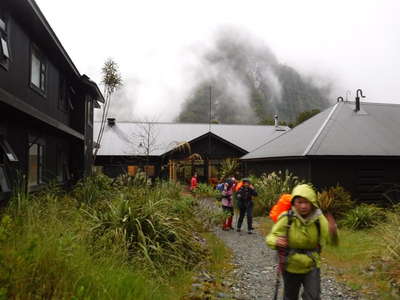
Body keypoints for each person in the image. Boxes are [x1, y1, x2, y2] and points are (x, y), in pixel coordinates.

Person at [266, 184, 330, 300]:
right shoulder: (287, 217)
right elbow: (271, 237)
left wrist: (333, 231)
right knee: (290, 296)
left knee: (313, 297)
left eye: (306, 202)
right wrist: (276, 241)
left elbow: (330, 238)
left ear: (312, 203)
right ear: (293, 203)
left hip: (312, 263)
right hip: (291, 264)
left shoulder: (319, 219)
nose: (303, 206)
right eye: (299, 202)